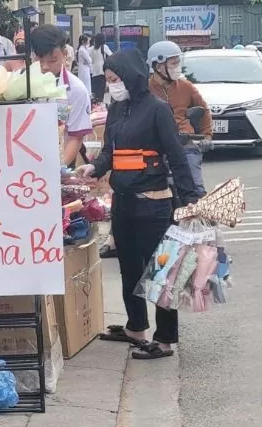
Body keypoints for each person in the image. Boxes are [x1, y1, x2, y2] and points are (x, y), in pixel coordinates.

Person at [78, 49, 201, 360]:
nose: (111, 86)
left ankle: (164, 340)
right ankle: (136, 327)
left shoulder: (158, 110)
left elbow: (177, 157)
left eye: (115, 79)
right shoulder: (118, 109)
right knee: (129, 269)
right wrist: (94, 167)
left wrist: (190, 201)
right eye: (107, 81)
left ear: (131, 76)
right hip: (124, 204)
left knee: (162, 274)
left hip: (154, 205)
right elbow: (109, 151)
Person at [147, 41, 212, 197]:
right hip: (155, 148)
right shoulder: (145, 90)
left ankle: (199, 216)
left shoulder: (186, 86)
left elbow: (204, 110)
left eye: (178, 63)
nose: (177, 67)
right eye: (173, 63)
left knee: (196, 189)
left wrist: (208, 136)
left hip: (184, 145)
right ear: (158, 66)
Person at [30, 26, 92, 166]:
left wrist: (59, 168)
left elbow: (75, 137)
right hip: (27, 159)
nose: (45, 67)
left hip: (59, 160)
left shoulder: (76, 90)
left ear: (64, 54)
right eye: (40, 60)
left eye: (52, 60)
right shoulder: (23, 84)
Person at [90, 33, 112, 102]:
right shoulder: (104, 47)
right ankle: (100, 103)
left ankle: (95, 103)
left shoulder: (92, 49)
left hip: (94, 71)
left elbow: (91, 60)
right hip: (102, 71)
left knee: (95, 90)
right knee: (101, 90)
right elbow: (111, 55)